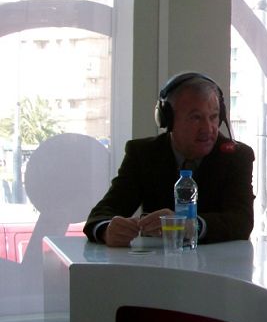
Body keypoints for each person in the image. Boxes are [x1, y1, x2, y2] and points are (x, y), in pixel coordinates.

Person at [84, 72, 255, 246]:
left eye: (213, 117)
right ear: (168, 120)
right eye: (196, 118)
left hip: (219, 260)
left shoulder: (237, 156)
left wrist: (190, 226)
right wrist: (106, 230)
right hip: (158, 260)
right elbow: (101, 214)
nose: (208, 128)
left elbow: (241, 221)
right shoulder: (143, 154)